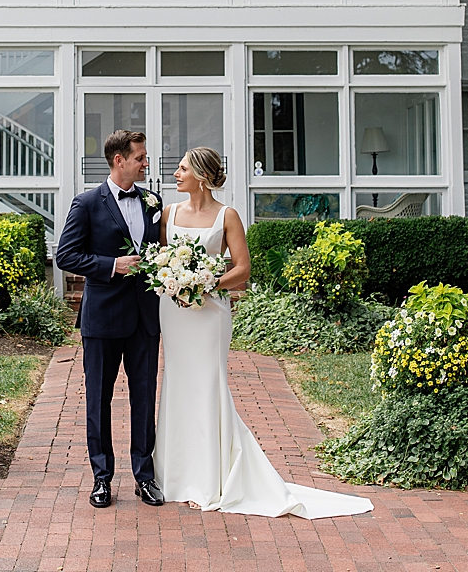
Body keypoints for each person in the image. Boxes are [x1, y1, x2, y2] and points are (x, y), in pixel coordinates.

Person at [153, 147, 373, 519]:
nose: (175, 174)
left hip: (209, 314)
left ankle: (209, 479)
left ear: (202, 177)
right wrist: (175, 281)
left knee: (208, 384)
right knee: (176, 383)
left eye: (182, 168)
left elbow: (242, 269)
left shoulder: (227, 216)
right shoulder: (168, 214)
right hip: (173, 311)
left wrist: (207, 283)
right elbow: (160, 259)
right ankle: (173, 477)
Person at [53, 126, 165, 508]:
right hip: (101, 319)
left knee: (144, 399)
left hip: (145, 320)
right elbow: (65, 256)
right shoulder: (86, 203)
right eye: (140, 158)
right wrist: (111, 265)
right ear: (120, 160)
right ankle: (102, 478)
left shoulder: (153, 201)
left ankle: (144, 477)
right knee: (98, 401)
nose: (145, 163)